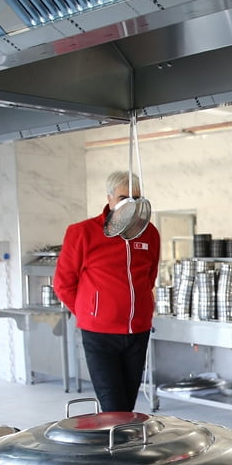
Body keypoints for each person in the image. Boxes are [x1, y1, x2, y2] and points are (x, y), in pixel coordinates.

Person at [54, 171, 161, 413]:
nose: (130, 205)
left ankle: (120, 436)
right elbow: (63, 283)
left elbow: (149, 277)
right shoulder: (83, 232)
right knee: (113, 406)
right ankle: (114, 436)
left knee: (127, 404)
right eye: (123, 198)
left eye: (136, 198)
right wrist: (91, 312)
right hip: (100, 334)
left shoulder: (149, 233)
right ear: (109, 199)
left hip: (138, 331)